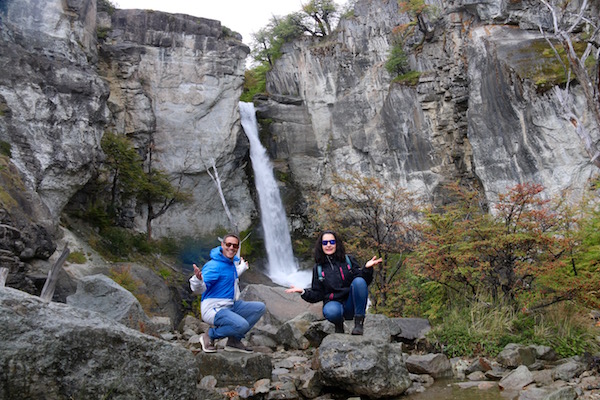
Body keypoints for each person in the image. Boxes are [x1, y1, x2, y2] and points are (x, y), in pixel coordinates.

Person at [286, 230, 382, 335]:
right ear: (321, 246)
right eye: (325, 243)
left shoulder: (348, 260)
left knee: (359, 281)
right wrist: (303, 292)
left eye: (332, 242)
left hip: (351, 303)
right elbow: (318, 294)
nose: (328, 245)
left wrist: (367, 269)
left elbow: (362, 283)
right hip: (333, 303)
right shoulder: (318, 268)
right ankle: (338, 325)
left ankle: (359, 324)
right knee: (331, 312)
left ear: (337, 244)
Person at [189, 233, 266, 353]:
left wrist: (242, 268)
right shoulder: (214, 266)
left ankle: (234, 341)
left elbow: (229, 277)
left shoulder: (230, 264)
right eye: (228, 244)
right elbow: (199, 289)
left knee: (259, 308)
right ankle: (209, 335)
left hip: (229, 305)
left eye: (235, 246)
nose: (231, 248)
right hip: (213, 308)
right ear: (222, 245)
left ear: (238, 248)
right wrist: (197, 280)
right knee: (242, 325)